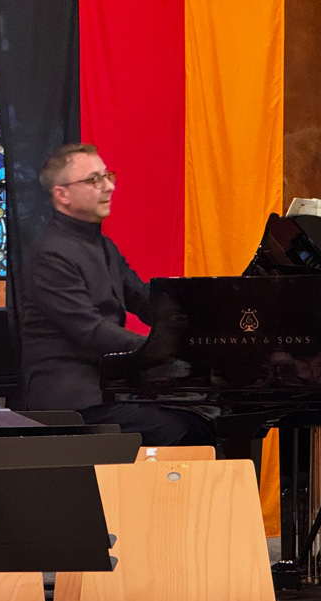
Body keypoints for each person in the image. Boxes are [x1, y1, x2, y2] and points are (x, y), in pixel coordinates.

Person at [19, 143, 214, 447]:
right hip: (72, 397)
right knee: (180, 429)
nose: (109, 187)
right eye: (94, 180)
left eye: (107, 176)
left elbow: (146, 300)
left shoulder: (104, 246)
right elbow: (91, 332)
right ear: (62, 194)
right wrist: (160, 347)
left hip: (107, 387)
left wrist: (202, 323)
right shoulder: (49, 255)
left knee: (204, 420)